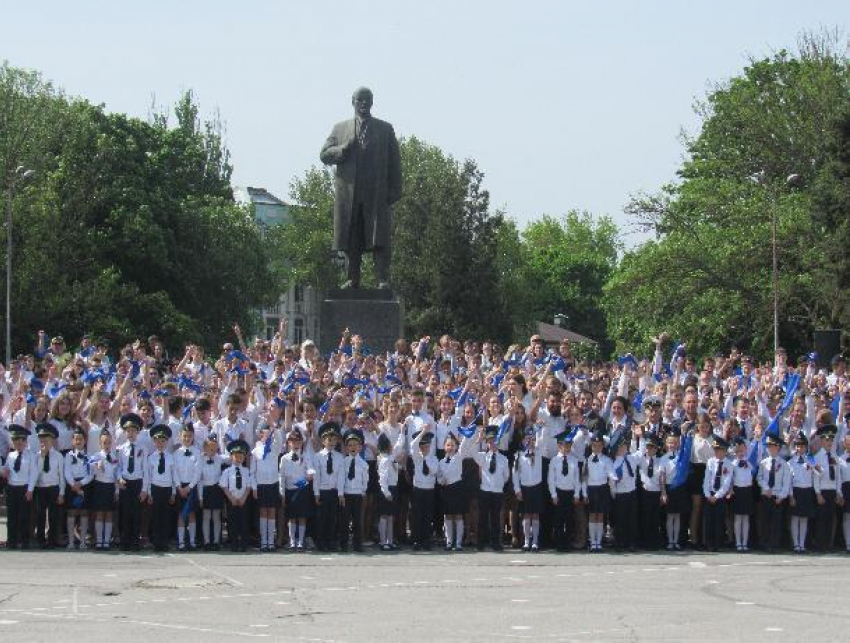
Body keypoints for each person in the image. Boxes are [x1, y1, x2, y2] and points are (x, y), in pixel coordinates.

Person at [319, 86, 402, 289]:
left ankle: (382, 279)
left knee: (379, 239)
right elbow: (324, 155)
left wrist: (394, 191)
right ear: (353, 102)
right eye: (360, 100)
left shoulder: (385, 129)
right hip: (350, 194)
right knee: (351, 237)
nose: (363, 104)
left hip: (376, 193)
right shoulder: (340, 129)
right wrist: (343, 149)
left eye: (367, 100)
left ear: (372, 102)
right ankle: (352, 278)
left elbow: (395, 163)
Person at [437, 431, 476, 551]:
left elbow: (464, 444)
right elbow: (438, 476)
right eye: (448, 445)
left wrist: (467, 435)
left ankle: (458, 543)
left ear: (456, 447)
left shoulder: (459, 457)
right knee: (448, 516)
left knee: (458, 516)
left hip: (458, 488)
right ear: (444, 447)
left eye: (453, 445)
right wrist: (441, 480)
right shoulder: (441, 462)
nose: (450, 447)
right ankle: (449, 541)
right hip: (447, 489)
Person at [474, 425, 510, 551]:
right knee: (482, 518)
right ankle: (481, 543)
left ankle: (496, 543)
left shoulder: (504, 459)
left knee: (496, 519)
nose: (493, 443)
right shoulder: (483, 456)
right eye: (490, 440)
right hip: (485, 491)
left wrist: (498, 484)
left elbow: (506, 476)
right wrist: (479, 439)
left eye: (495, 440)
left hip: (497, 492)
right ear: (487, 442)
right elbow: (472, 452)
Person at [279, 429, 315, 551]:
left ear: (301, 443)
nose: (295, 444)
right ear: (289, 443)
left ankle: (300, 542)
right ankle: (292, 541)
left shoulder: (305, 456)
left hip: (302, 489)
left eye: (298, 441)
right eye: (293, 441)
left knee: (302, 516)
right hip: (290, 490)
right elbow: (282, 476)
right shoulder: (284, 458)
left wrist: (310, 474)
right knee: (291, 517)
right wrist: (282, 493)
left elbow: (311, 469)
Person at [116, 413, 147, 551]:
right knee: (125, 513)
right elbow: (119, 467)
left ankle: (135, 541)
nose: (130, 433)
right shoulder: (122, 449)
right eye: (128, 431)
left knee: (136, 513)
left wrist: (144, 489)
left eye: (133, 430)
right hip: (126, 483)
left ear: (138, 431)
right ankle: (125, 540)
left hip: (137, 483)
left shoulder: (143, 448)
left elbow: (145, 469)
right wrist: (119, 478)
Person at [2, 425, 37, 548]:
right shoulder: (11, 455)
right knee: (12, 516)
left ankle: (24, 540)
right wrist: (3, 471)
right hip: (12, 488)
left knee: (24, 516)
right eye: (16, 440)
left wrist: (30, 490)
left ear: (26, 441)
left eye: (22, 440)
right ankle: (12, 540)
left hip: (24, 487)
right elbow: (6, 469)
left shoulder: (31, 455)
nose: (19, 442)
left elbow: (33, 473)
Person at [251, 419, 283, 552]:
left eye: (269, 434)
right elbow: (252, 472)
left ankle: (271, 542)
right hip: (261, 485)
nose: (268, 436)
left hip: (273, 484)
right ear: (260, 435)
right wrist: (254, 487)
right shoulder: (256, 451)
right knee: (263, 512)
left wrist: (275, 429)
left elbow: (280, 440)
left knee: (272, 512)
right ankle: (264, 541)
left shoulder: (274, 448)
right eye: (265, 433)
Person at [312, 422, 345, 551]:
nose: (332, 442)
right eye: (329, 439)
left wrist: (341, 493)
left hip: (334, 491)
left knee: (333, 518)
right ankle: (321, 542)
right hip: (322, 491)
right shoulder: (318, 456)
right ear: (323, 441)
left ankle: (331, 541)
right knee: (322, 518)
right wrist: (316, 493)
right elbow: (317, 476)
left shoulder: (339, 457)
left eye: (334, 440)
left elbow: (341, 476)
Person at [547, 430, 581, 552]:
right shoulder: (554, 461)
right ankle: (559, 543)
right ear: (558, 446)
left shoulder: (574, 460)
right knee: (559, 520)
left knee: (569, 519)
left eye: (568, 445)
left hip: (570, 492)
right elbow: (551, 479)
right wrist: (553, 495)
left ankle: (567, 542)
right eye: (564, 445)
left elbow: (577, 478)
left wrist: (577, 494)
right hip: (559, 493)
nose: (566, 447)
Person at [145, 424, 176, 552]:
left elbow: (174, 476)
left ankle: (165, 541)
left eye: (163, 441)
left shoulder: (170, 457)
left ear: (167, 442)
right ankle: (156, 541)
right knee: (156, 516)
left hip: (167, 489)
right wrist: (149, 492)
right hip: (155, 489)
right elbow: (148, 476)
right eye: (158, 441)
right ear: (154, 441)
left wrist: (173, 492)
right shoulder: (151, 458)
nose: (160, 443)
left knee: (166, 516)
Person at [757, 433, 791, 553]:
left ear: (778, 447)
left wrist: (781, 496)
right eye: (768, 446)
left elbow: (786, 482)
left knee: (776, 522)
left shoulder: (784, 464)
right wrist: (766, 488)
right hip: (766, 495)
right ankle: (764, 543)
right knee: (764, 521)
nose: (769, 448)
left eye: (772, 446)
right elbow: (759, 478)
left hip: (777, 497)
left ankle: (774, 544)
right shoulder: (763, 463)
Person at [583, 431, 616, 552]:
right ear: (591, 446)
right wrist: (585, 493)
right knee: (592, 515)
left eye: (599, 445)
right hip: (591, 489)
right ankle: (593, 541)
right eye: (594, 445)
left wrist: (614, 478)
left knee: (600, 516)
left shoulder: (607, 460)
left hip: (602, 489)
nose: (597, 447)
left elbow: (611, 472)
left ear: (603, 446)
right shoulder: (587, 460)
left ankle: (599, 542)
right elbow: (584, 479)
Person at [513, 427, 545, 552]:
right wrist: (517, 490)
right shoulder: (519, 455)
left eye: (533, 439)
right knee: (526, 515)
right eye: (528, 438)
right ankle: (526, 541)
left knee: (535, 515)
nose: (530, 441)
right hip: (524, 488)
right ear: (523, 440)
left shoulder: (539, 452)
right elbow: (515, 474)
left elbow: (543, 439)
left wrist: (540, 428)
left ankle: (535, 541)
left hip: (536, 487)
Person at [34, 422, 65, 549]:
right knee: (40, 514)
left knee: (53, 515)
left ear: (52, 440)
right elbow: (36, 474)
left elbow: (61, 476)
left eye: (47, 439)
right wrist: (42, 456)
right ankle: (40, 539)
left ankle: (52, 539)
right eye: (41, 439)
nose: (44, 442)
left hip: (53, 487)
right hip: (40, 488)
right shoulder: (36, 456)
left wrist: (61, 492)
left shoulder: (58, 456)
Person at [220, 438, 254, 552]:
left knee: (244, 522)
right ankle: (234, 543)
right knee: (232, 522)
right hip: (232, 500)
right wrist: (231, 498)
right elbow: (224, 486)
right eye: (236, 456)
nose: (239, 458)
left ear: (244, 457)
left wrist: (244, 498)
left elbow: (249, 486)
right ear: (231, 457)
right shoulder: (227, 471)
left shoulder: (246, 471)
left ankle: (244, 543)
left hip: (243, 500)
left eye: (241, 456)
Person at [789, 433, 820, 553]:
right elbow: (789, 481)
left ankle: (802, 544)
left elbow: (819, 474)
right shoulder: (791, 462)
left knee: (804, 519)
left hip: (807, 491)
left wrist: (814, 465)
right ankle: (795, 544)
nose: (799, 448)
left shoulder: (810, 460)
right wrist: (791, 495)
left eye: (802, 446)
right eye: (797, 446)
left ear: (806, 447)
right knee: (795, 518)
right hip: (796, 491)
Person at [340, 428, 369, 552]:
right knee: (344, 521)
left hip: (357, 495)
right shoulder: (344, 462)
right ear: (346, 448)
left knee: (358, 521)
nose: (352, 447)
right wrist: (340, 494)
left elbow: (365, 480)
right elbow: (341, 479)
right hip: (346, 494)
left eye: (355, 445)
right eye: (350, 445)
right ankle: (344, 544)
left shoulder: (363, 464)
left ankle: (358, 544)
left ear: (360, 447)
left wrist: (363, 492)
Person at [409, 429, 439, 550]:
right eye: (423, 445)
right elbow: (412, 445)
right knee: (417, 515)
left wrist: (426, 458)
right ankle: (416, 540)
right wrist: (422, 433)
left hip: (429, 490)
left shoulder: (434, 459)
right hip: (418, 489)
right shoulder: (416, 457)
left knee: (427, 516)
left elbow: (435, 471)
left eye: (427, 445)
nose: (425, 448)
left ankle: (426, 540)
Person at [64, 427, 93, 549]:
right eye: (76, 439)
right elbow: (67, 471)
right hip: (72, 485)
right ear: (72, 441)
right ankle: (71, 542)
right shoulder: (69, 455)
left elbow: (91, 474)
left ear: (85, 440)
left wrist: (81, 483)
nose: (78, 441)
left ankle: (82, 542)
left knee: (84, 513)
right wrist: (73, 484)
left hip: (85, 484)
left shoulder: (89, 456)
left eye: (81, 439)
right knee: (71, 512)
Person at [702, 435, 732, 552]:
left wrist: (717, 496)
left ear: (724, 451)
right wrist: (708, 494)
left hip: (720, 496)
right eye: (715, 450)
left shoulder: (729, 464)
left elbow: (726, 483)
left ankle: (718, 543)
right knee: (709, 520)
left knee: (719, 520)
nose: (716, 452)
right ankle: (709, 543)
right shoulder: (710, 462)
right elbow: (707, 479)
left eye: (719, 450)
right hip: (710, 494)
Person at [174, 425, 201, 551]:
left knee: (191, 514)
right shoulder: (176, 453)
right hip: (180, 486)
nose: (187, 438)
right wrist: (179, 487)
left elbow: (197, 472)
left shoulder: (197, 452)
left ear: (193, 436)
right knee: (181, 514)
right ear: (180, 436)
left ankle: (192, 541)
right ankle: (181, 542)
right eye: (184, 435)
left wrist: (189, 487)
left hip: (191, 486)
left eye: (189, 435)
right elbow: (174, 471)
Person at [90, 430, 118, 550]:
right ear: (100, 443)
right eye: (104, 443)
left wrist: (116, 491)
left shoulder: (114, 457)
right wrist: (97, 465)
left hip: (110, 486)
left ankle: (106, 541)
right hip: (100, 485)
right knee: (100, 513)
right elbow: (91, 465)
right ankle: (99, 541)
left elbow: (117, 473)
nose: (107, 445)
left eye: (109, 442)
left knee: (109, 514)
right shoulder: (96, 456)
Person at [812, 424, 839, 552]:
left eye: (831, 440)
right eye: (827, 440)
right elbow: (816, 477)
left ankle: (828, 544)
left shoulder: (834, 457)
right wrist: (818, 493)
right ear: (821, 440)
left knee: (830, 518)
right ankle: (820, 544)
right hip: (822, 491)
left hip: (832, 491)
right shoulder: (817, 457)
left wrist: (838, 493)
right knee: (821, 519)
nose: (829, 442)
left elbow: (837, 476)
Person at [611, 436, 640, 552]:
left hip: (631, 492)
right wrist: (614, 494)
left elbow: (640, 450)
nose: (624, 448)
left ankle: (631, 542)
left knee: (632, 518)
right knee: (620, 519)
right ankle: (620, 541)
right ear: (617, 449)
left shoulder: (631, 458)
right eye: (621, 446)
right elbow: (612, 482)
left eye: (625, 446)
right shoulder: (614, 463)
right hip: (620, 494)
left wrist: (638, 437)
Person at [637, 433, 664, 550]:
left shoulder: (660, 460)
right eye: (648, 447)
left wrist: (663, 492)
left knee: (655, 518)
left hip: (656, 491)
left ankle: (654, 541)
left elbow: (662, 477)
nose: (649, 449)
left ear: (657, 448)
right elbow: (636, 450)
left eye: (652, 447)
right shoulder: (642, 459)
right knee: (645, 517)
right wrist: (638, 437)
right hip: (645, 491)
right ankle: (644, 541)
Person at [198, 435, 225, 550]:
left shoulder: (219, 458)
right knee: (206, 516)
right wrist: (200, 497)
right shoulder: (201, 460)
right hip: (206, 489)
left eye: (214, 448)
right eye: (210, 448)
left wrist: (227, 443)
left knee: (216, 516)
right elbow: (199, 480)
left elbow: (230, 457)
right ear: (204, 448)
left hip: (216, 489)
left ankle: (216, 541)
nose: (212, 451)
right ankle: (206, 541)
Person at [729, 436, 755, 552]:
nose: (740, 453)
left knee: (746, 519)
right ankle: (738, 542)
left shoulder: (749, 464)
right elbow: (730, 479)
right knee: (738, 518)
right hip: (737, 491)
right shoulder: (732, 465)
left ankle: (745, 542)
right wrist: (730, 489)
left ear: (746, 450)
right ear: (735, 452)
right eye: (738, 451)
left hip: (747, 491)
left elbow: (752, 475)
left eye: (742, 450)